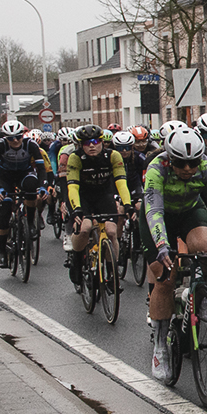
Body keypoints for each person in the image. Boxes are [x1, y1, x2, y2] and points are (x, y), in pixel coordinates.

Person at [140, 127, 207, 380]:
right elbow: (153, 211)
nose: (188, 169)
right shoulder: (157, 168)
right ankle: (160, 348)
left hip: (190, 211)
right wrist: (163, 245)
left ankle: (201, 291)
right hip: (159, 216)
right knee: (165, 278)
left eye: (192, 163)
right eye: (181, 163)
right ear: (170, 158)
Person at [63, 124, 132, 290]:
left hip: (103, 195)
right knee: (85, 228)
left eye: (95, 141)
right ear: (81, 145)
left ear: (102, 142)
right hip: (82, 197)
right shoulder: (75, 157)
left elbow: (121, 183)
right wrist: (77, 209)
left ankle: (111, 273)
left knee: (111, 232)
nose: (91, 145)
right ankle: (77, 261)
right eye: (87, 143)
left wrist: (128, 204)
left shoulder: (113, 156)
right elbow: (72, 187)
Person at [0, 121, 48, 268]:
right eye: (10, 138)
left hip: (24, 174)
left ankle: (30, 223)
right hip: (5, 177)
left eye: (18, 137)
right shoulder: (0, 145)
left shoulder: (31, 145)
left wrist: (43, 186)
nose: (15, 140)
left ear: (23, 136)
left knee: (31, 187)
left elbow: (41, 168)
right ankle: (2, 252)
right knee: (4, 211)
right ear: (5, 138)